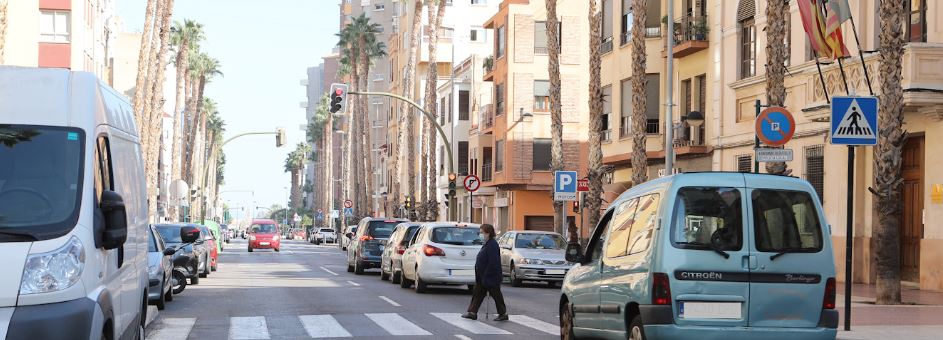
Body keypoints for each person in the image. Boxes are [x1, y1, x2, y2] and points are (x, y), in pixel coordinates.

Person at [461, 224, 508, 321]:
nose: (480, 234)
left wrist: (487, 275)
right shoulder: (487, 243)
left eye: (482, 232)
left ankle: (503, 314)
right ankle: (472, 312)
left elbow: (493, 262)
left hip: (490, 277)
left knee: (496, 295)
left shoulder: (492, 244)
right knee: (477, 294)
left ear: (488, 233)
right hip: (483, 276)